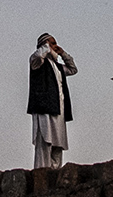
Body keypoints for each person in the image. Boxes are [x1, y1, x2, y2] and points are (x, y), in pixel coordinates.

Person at [27, 33, 77, 169]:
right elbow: (38, 56)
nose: (56, 46)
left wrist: (63, 54)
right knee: (45, 143)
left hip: (58, 109)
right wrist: (46, 47)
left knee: (58, 145)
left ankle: (55, 174)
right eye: (53, 43)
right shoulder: (37, 62)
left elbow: (73, 69)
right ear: (45, 45)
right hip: (44, 109)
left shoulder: (58, 67)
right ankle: (41, 172)